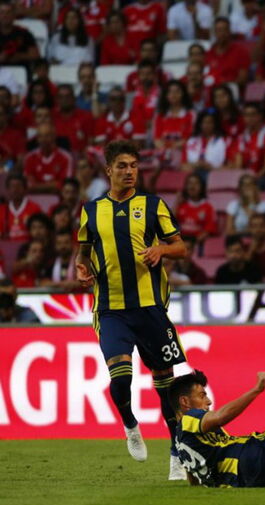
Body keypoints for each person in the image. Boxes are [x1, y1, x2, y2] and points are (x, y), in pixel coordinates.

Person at [74, 140, 189, 478]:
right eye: (122, 166)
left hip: (151, 309)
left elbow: (180, 246)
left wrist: (161, 251)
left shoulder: (153, 205)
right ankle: (130, 424)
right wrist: (81, 267)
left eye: (134, 166)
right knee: (121, 380)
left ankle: (177, 452)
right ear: (108, 170)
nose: (129, 172)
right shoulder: (91, 210)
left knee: (167, 385)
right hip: (111, 310)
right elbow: (83, 252)